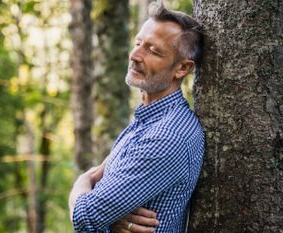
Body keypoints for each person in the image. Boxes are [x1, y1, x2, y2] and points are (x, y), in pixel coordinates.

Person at [69, 1, 205, 233]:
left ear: (181, 68)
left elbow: (85, 217)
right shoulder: (147, 120)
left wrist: (80, 184)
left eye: (153, 51)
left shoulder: (167, 136)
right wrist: (110, 219)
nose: (135, 55)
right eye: (138, 43)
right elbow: (94, 212)